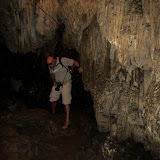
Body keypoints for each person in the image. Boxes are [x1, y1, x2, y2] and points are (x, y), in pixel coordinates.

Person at [46, 56, 83, 129]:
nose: (50, 65)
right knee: (52, 98)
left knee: (66, 101)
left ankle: (67, 121)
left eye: (50, 63)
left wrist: (79, 67)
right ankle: (53, 112)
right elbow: (52, 74)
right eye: (48, 64)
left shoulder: (63, 60)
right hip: (58, 84)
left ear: (54, 60)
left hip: (66, 83)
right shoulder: (50, 66)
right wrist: (54, 81)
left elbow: (74, 62)